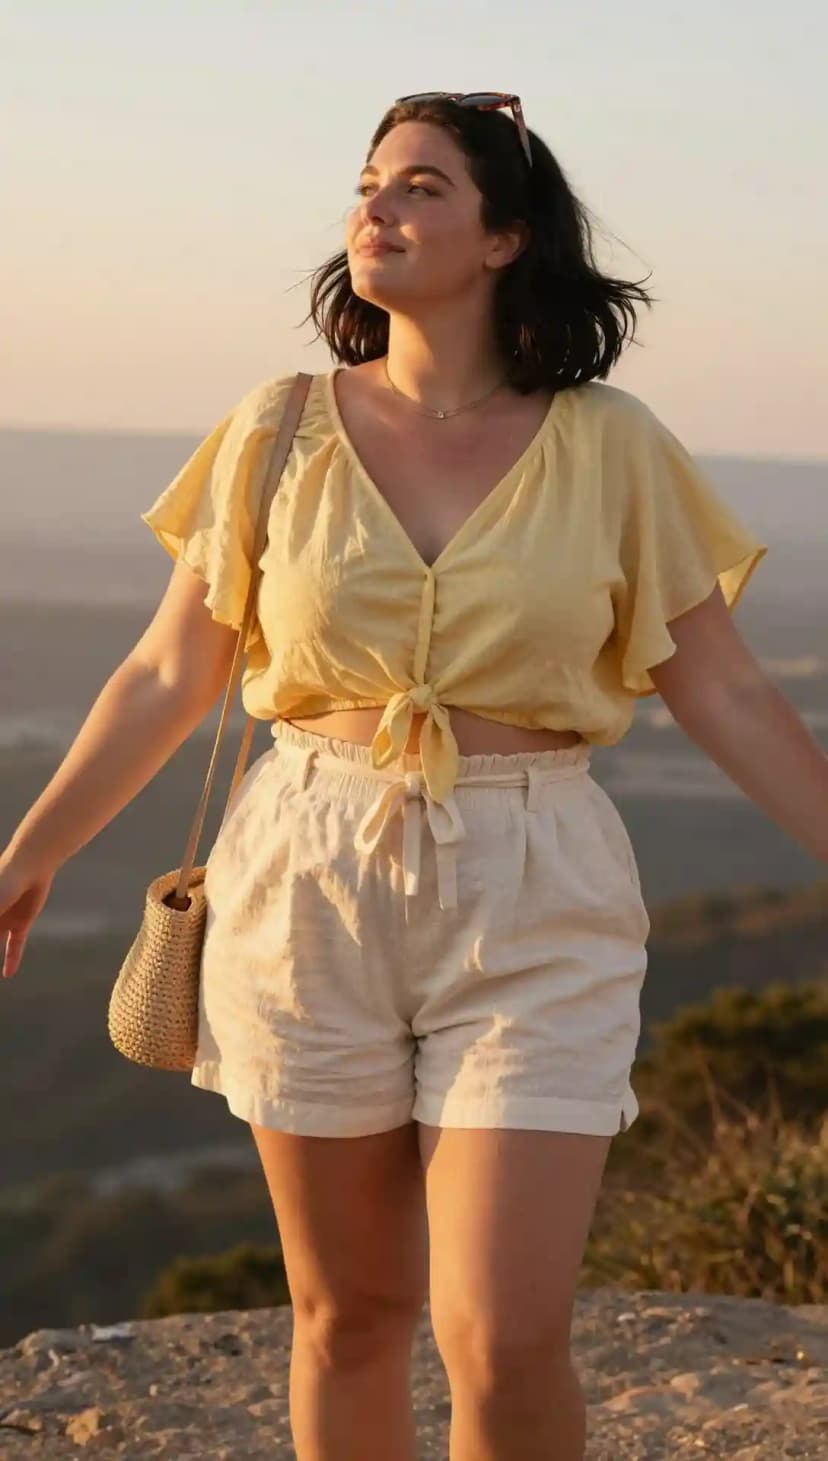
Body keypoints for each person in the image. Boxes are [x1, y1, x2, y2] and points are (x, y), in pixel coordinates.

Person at [4, 91, 826, 1461]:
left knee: (503, 1335)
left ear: (507, 237)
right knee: (350, 1316)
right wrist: (29, 851)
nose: (376, 206)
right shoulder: (277, 429)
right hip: (307, 875)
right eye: (370, 183)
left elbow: (730, 689)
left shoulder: (611, 442)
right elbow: (167, 674)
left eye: (424, 186)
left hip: (535, 883)